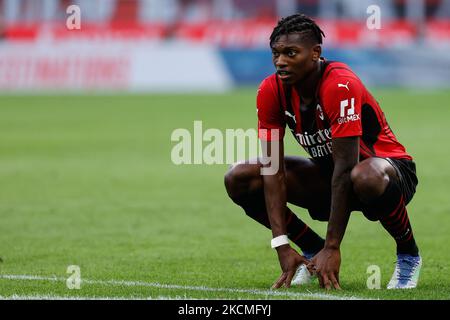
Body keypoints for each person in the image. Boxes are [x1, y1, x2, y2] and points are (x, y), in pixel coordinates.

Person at [224, 13, 421, 290]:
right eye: (276, 53)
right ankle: (309, 248)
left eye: (291, 53)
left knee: (364, 175)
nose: (281, 61)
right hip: (331, 178)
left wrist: (334, 246)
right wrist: (281, 244)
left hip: (387, 174)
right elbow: (272, 168)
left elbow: (346, 166)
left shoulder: (339, 85)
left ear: (316, 52)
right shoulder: (270, 91)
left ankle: (408, 255)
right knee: (240, 177)